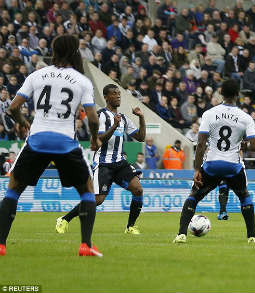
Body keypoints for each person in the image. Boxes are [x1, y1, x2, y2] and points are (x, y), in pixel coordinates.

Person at [0, 34, 102, 256]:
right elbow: (93, 119)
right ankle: (86, 245)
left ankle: (0, 245)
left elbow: (14, 107)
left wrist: (23, 123)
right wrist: (94, 138)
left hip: (37, 139)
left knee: (13, 189)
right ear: (75, 52)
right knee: (87, 191)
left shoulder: (37, 74)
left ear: (54, 51)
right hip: (65, 141)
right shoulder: (82, 81)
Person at [172, 79, 255, 244]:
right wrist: (243, 144)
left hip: (212, 164)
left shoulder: (209, 113)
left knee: (194, 196)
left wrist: (197, 169)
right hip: (233, 166)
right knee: (244, 197)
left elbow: (200, 144)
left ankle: (181, 234)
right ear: (237, 95)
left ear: (221, 93)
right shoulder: (245, 117)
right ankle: (252, 237)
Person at [56, 84, 146, 235]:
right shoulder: (101, 115)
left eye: (119, 93)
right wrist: (114, 126)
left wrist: (141, 117)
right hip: (104, 163)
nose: (118, 96)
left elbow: (141, 137)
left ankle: (130, 226)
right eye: (114, 93)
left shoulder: (123, 118)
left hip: (120, 162)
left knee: (138, 189)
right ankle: (64, 219)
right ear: (106, 97)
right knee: (97, 200)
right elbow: (98, 139)